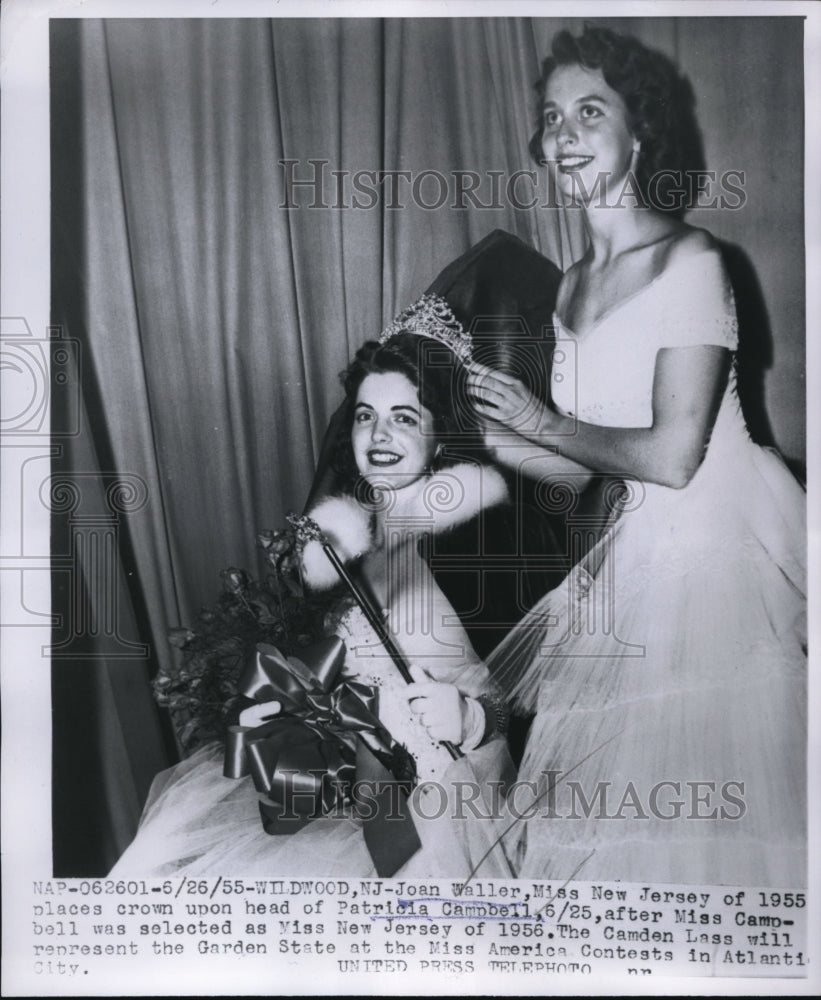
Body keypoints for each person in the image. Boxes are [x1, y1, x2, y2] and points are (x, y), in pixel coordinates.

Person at [465, 26, 807, 887]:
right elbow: (586, 468)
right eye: (552, 118)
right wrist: (472, 431)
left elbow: (670, 456)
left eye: (591, 111)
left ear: (637, 134)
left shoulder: (692, 259)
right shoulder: (571, 285)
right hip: (628, 557)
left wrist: (538, 420)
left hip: (717, 555)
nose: (566, 134)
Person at [110, 296, 516, 878]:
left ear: (440, 436)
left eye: (405, 417)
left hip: (445, 800)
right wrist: (272, 714)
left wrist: (474, 719)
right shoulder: (338, 529)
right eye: (365, 414)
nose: (379, 433)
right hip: (348, 787)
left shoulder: (465, 525)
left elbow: (516, 700)